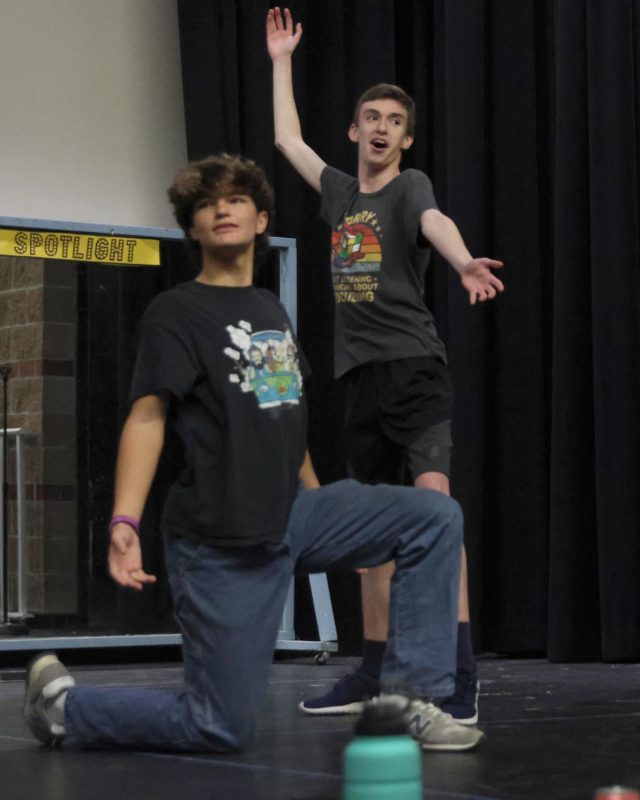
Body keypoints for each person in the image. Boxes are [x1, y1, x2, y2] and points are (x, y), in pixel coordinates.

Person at [23, 154, 483, 753]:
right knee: (218, 725)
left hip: (290, 519)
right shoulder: (176, 312)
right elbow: (147, 417)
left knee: (434, 516)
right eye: (207, 203)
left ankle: (411, 699)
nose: (222, 208)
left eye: (236, 199)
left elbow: (285, 418)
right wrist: (124, 519)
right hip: (218, 542)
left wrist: (327, 509)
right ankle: (65, 709)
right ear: (193, 227)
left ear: (261, 218)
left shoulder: (270, 310)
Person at [267, 7, 501, 722]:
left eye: (393, 120)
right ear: (355, 129)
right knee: (373, 533)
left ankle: (456, 680)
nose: (379, 127)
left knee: (436, 512)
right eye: (370, 116)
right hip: (358, 377)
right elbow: (285, 138)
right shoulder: (341, 192)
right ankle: (372, 672)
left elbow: (438, 225)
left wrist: (463, 263)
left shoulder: (410, 187)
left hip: (414, 370)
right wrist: (282, 59)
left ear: (404, 137)